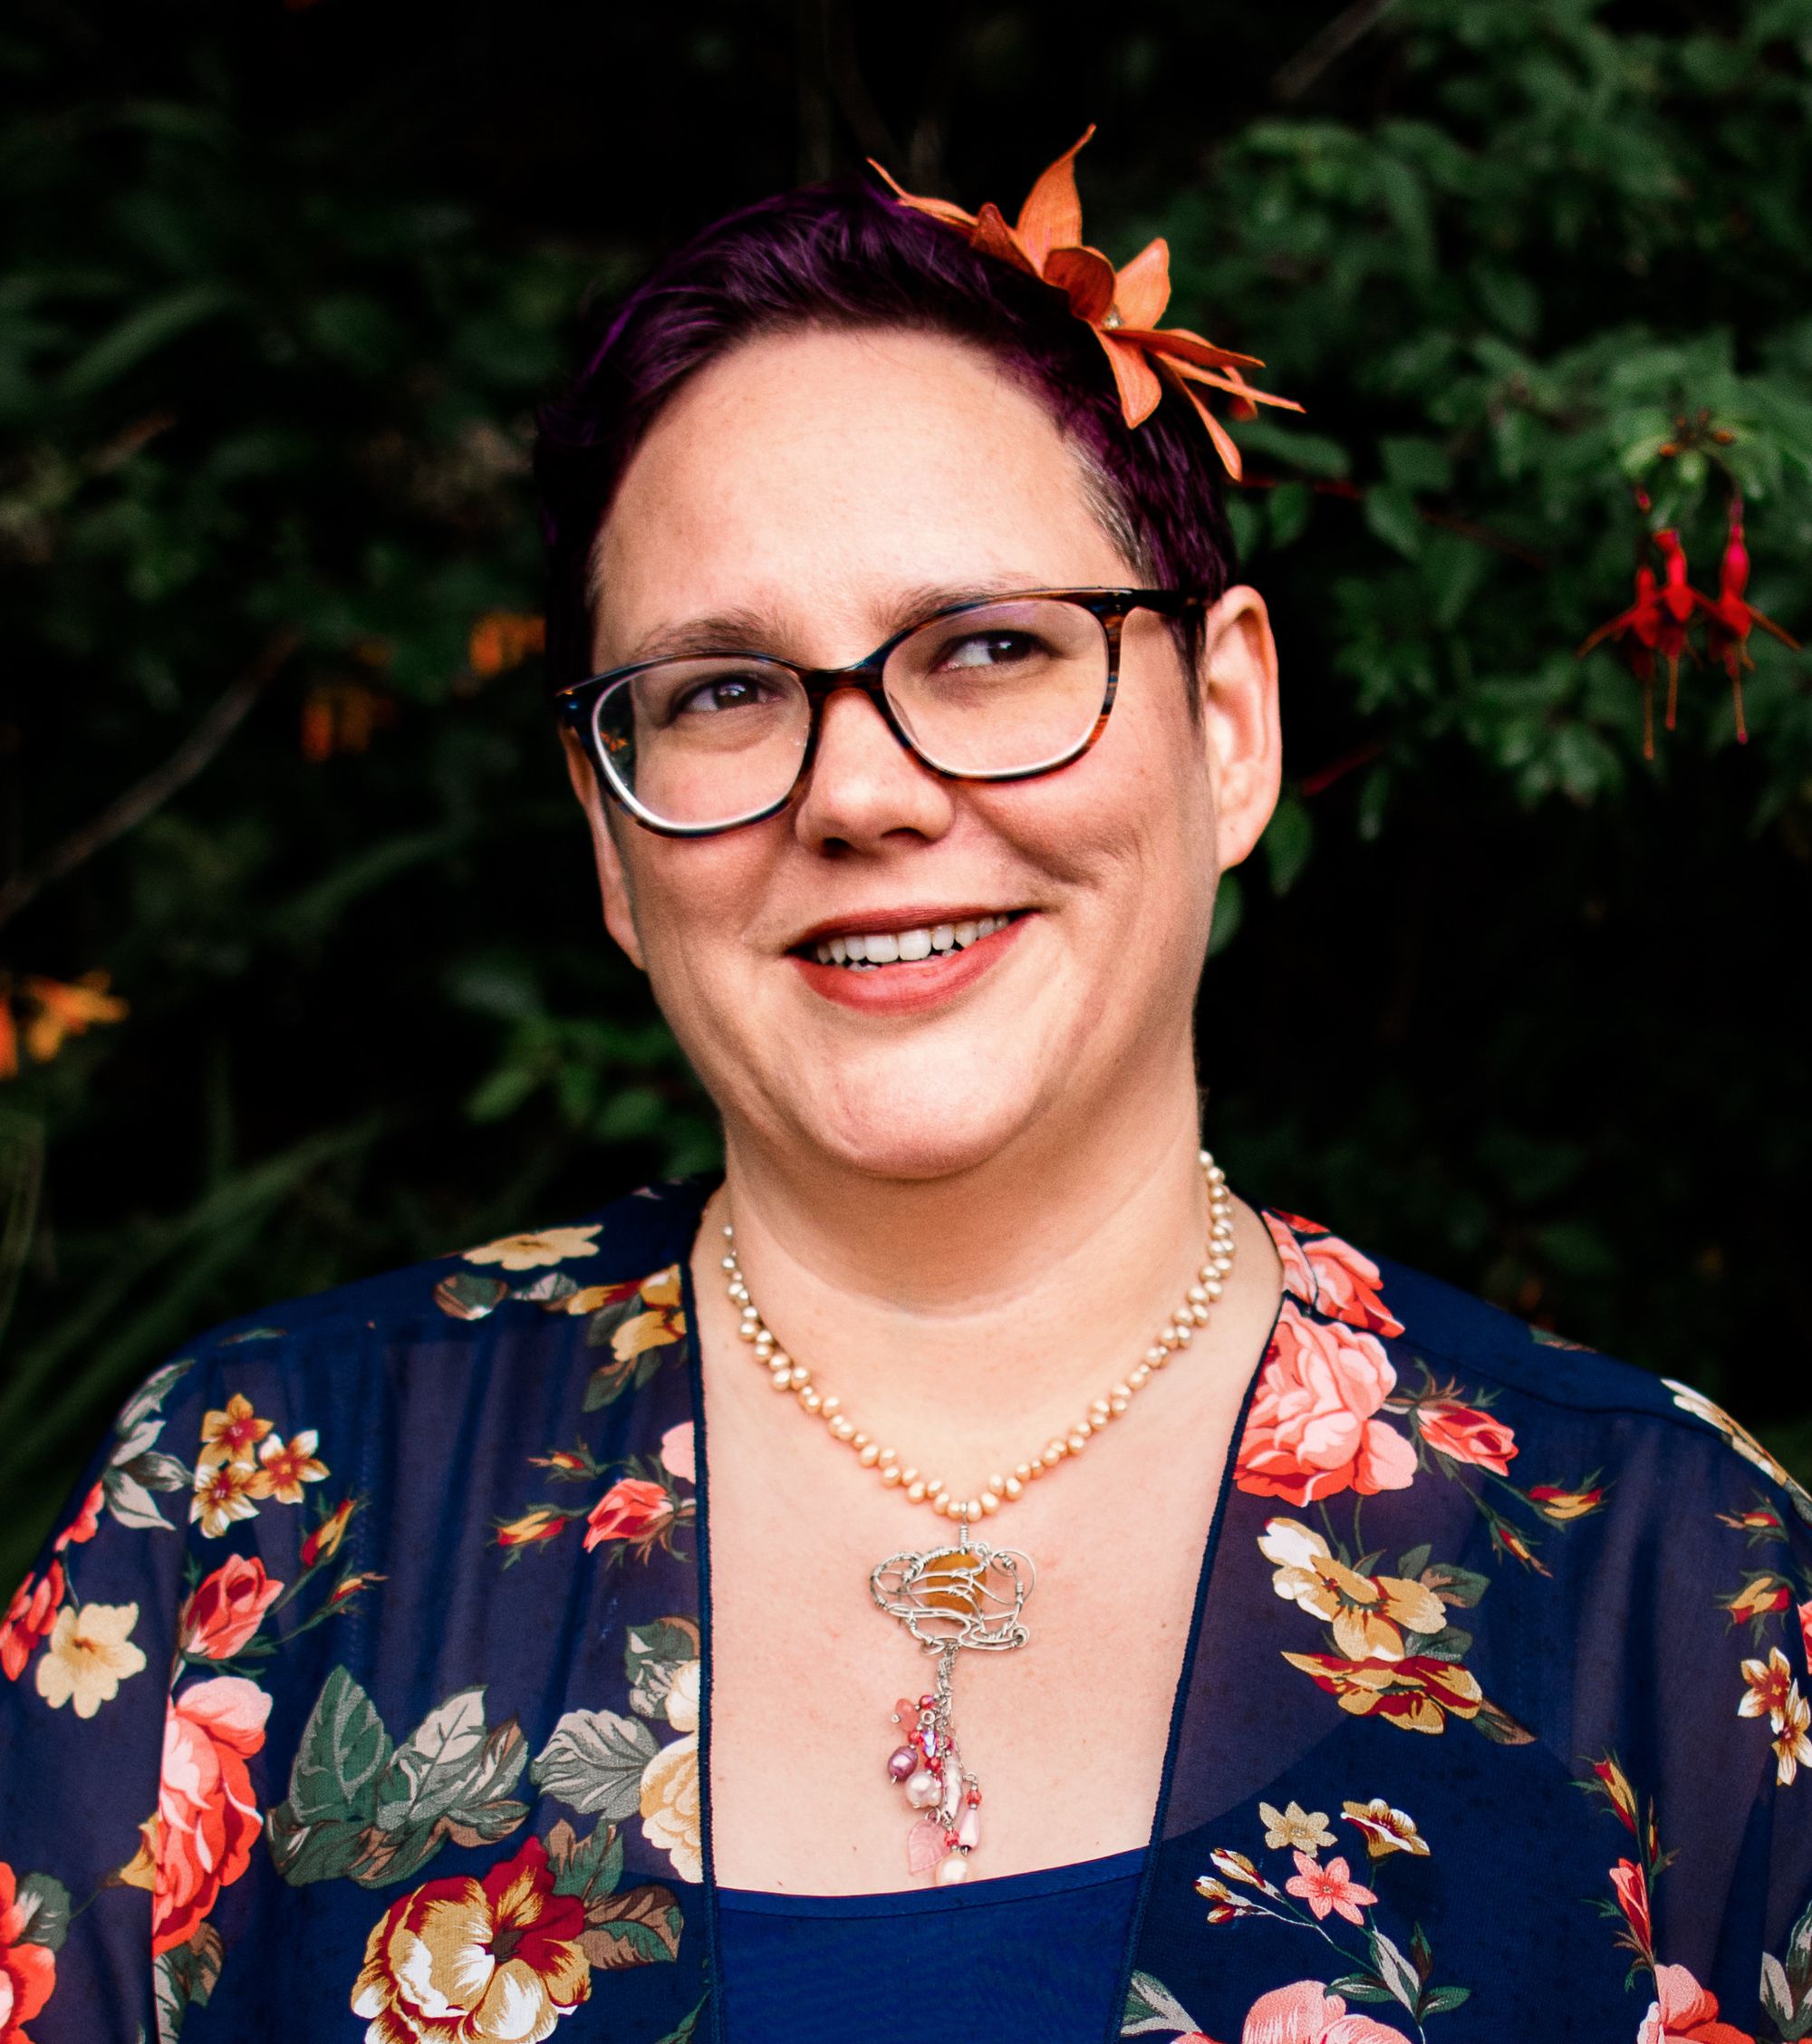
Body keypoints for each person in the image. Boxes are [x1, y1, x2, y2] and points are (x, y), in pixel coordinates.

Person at [2, 136, 1809, 2044]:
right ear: (612, 849)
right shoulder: (255, 1517)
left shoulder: (1668, 1581)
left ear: (1229, 727)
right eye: (719, 692)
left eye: (993, 649)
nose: (858, 792)